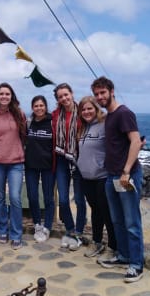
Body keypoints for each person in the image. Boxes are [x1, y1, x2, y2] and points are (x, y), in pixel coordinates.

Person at [91, 76, 144, 283]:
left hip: (124, 175)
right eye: (96, 94)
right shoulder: (109, 116)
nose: (99, 97)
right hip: (111, 175)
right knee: (117, 220)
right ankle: (123, 256)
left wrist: (127, 171)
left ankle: (137, 265)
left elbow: (135, 142)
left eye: (102, 92)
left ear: (112, 91)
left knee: (131, 222)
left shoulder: (124, 113)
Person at [75, 96, 116, 259]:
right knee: (96, 211)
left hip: (102, 176)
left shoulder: (105, 124)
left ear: (97, 109)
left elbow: (117, 142)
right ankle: (97, 242)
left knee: (107, 212)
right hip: (86, 177)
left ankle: (113, 247)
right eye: (83, 109)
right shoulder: (83, 128)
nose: (86, 112)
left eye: (89, 108)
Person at [0, 82, 26, 250]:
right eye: (1, 94)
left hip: (16, 162)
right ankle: (2, 230)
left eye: (7, 94)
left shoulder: (19, 114)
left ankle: (16, 233)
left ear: (12, 97)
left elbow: (25, 135)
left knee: (16, 198)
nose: (4, 96)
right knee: (0, 198)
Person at [51, 83, 86, 250]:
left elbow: (100, 124)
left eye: (66, 94)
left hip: (79, 160)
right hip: (61, 159)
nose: (64, 98)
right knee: (63, 200)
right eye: (60, 96)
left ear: (72, 93)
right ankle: (70, 230)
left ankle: (78, 232)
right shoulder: (55, 115)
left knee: (79, 199)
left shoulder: (83, 112)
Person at [24, 95, 55, 243]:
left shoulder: (52, 122)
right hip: (31, 166)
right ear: (32, 108)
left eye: (41, 105)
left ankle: (47, 226)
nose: (39, 108)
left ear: (46, 106)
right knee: (33, 196)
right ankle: (37, 224)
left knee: (48, 198)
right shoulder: (28, 123)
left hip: (48, 166)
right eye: (36, 106)